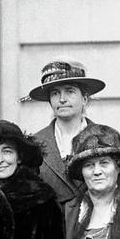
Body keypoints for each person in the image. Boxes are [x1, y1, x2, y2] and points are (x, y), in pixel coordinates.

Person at [27, 58, 106, 207]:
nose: (62, 99)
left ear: (84, 98)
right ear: (50, 101)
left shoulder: (106, 139)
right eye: (55, 93)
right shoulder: (33, 144)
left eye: (70, 91)